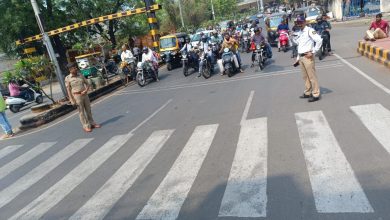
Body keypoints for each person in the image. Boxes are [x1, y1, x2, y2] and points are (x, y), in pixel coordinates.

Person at [293, 15, 323, 102]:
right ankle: (307, 92)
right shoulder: (300, 32)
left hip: (308, 57)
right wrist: (298, 58)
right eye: (298, 22)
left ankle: (316, 94)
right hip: (302, 57)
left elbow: (319, 40)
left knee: (312, 76)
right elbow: (300, 46)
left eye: (301, 22)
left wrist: (313, 52)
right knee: (305, 77)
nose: (299, 24)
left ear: (305, 22)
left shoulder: (310, 30)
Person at [65, 63, 101, 132]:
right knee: (81, 112)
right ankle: (86, 126)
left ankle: (92, 123)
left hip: (85, 95)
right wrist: (71, 100)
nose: (75, 69)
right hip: (77, 96)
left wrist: (86, 90)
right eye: (73, 68)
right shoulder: (68, 78)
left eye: (75, 67)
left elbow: (87, 84)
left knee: (88, 110)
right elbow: (68, 90)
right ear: (70, 70)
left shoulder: (80, 75)